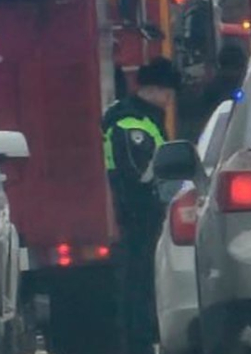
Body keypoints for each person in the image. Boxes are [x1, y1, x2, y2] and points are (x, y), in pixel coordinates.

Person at [102, 57, 182, 354]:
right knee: (139, 283)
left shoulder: (141, 118)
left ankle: (142, 339)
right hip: (137, 217)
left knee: (142, 282)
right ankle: (139, 343)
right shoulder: (132, 123)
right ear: (156, 89)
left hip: (141, 216)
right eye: (168, 93)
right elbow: (143, 174)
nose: (170, 100)